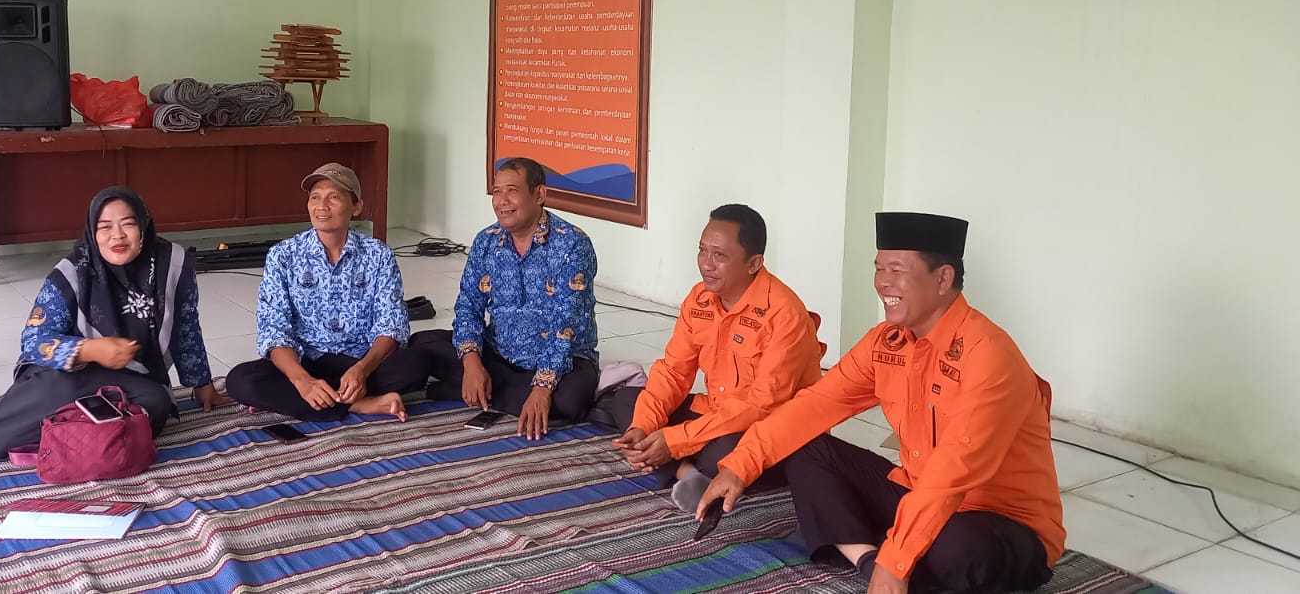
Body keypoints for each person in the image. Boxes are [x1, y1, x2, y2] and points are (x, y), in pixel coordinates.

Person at [695, 212, 1064, 594]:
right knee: (808, 449)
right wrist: (740, 466)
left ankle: (896, 558)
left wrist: (899, 559)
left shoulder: (988, 355)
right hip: (919, 493)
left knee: (958, 546)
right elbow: (815, 404)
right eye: (878, 269)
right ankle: (869, 561)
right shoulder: (886, 343)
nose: (883, 282)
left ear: (943, 279)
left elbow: (956, 468)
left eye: (897, 270)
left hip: (997, 522)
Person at [0, 187, 227, 461]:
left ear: (144, 225)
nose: (117, 236)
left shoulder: (171, 264)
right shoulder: (74, 271)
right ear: (92, 231)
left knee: (157, 404)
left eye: (128, 224)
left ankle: (64, 438)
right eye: (105, 227)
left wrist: (201, 382)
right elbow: (34, 341)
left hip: (135, 379)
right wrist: (89, 350)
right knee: (56, 395)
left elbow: (186, 326)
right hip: (69, 375)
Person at [611, 204, 825, 513]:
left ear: (754, 263)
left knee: (721, 453)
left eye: (719, 256)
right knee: (628, 403)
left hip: (768, 430)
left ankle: (684, 467)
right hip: (718, 413)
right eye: (702, 251)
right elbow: (673, 371)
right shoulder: (699, 298)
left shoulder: (784, 313)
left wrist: (676, 441)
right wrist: (643, 428)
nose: (706, 265)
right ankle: (687, 474)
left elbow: (760, 406)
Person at [413, 157, 599, 440]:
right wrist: (473, 363)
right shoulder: (486, 241)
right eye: (496, 192)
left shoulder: (572, 244)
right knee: (422, 346)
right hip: (499, 353)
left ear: (539, 194)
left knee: (570, 400)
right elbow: (468, 305)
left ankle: (476, 391)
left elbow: (567, 325)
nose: (502, 201)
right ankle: (492, 385)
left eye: (512, 190)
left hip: (561, 359)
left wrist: (542, 388)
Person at [224, 163, 426, 421]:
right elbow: (273, 328)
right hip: (305, 359)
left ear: (356, 207)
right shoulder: (283, 255)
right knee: (241, 381)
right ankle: (359, 404)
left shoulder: (379, 254)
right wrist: (301, 381)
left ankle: (306, 401)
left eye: (334, 197)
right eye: (315, 197)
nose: (322, 206)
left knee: (416, 363)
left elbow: (392, 321)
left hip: (359, 359)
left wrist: (362, 371)